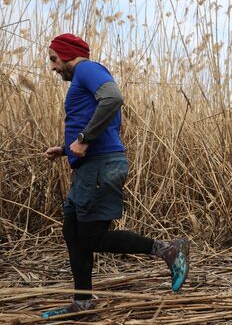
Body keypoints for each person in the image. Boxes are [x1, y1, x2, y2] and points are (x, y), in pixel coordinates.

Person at [42, 34, 190, 318]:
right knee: (72, 232)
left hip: (101, 167)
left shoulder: (87, 69)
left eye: (53, 59)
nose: (53, 67)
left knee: (92, 238)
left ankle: (168, 250)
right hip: (91, 167)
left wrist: (83, 138)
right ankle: (82, 305)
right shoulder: (84, 79)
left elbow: (114, 98)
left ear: (67, 54)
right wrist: (65, 149)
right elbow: (99, 120)